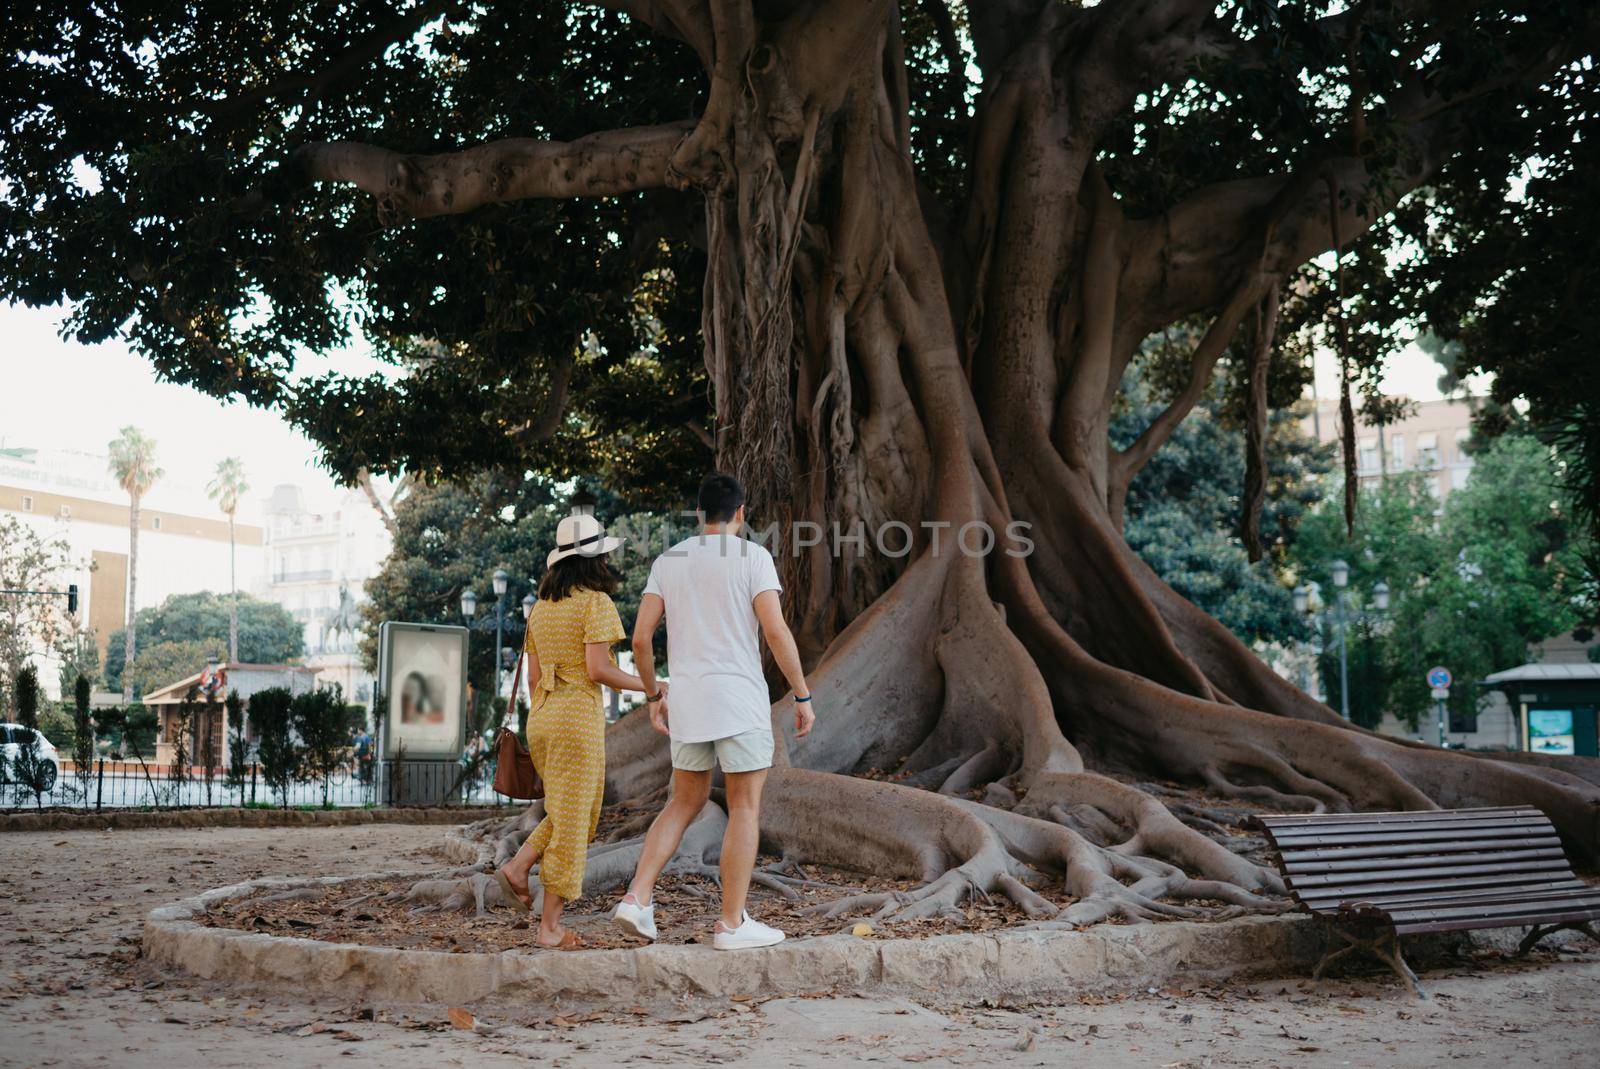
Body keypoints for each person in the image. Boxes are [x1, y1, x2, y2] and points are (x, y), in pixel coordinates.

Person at [611, 472, 815, 950]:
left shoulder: (670, 560)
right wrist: (802, 694)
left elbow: (640, 639)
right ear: (741, 515)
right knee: (744, 806)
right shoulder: (754, 557)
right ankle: (730, 924)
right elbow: (776, 632)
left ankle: (637, 899)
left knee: (683, 802)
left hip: (689, 703)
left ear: (700, 515)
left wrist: (653, 694)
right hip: (739, 702)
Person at [494, 512, 655, 949]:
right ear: (595, 559)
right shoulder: (594, 602)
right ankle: (550, 927)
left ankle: (518, 866)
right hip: (576, 719)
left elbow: (532, 679)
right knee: (573, 822)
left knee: (571, 815)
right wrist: (650, 686)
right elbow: (598, 669)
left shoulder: (541, 609)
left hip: (543, 717)